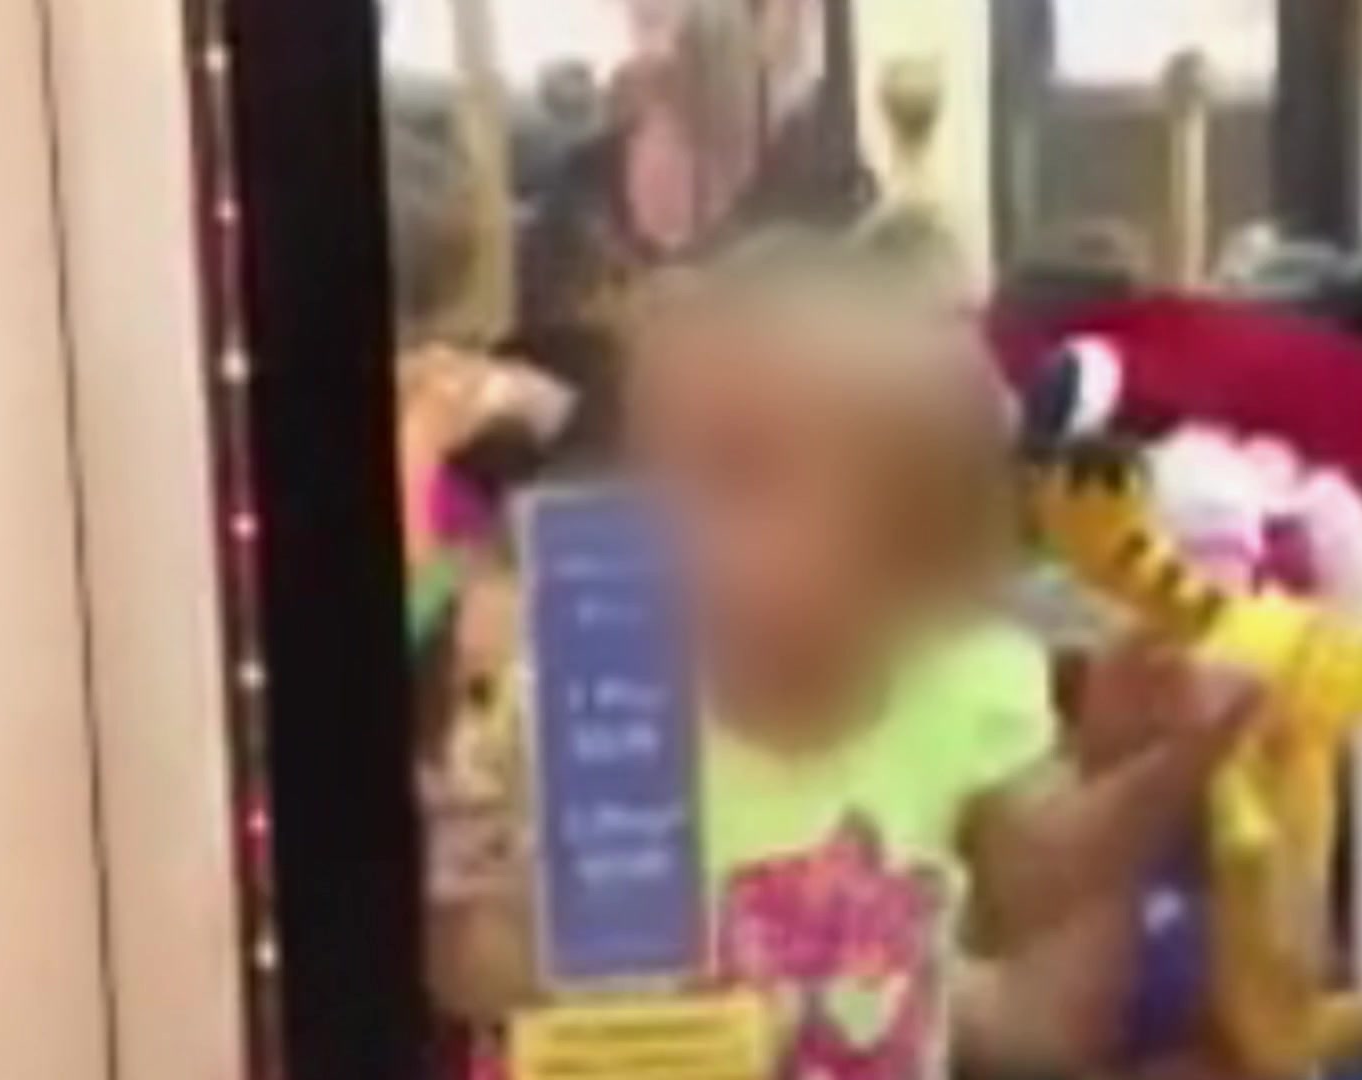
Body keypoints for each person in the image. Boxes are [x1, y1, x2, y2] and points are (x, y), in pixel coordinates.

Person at [423, 229, 1248, 1078]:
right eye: (644, 466)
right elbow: (497, 979)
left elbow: (1035, 888)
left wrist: (1153, 770)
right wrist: (459, 911)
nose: (666, 521)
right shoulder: (589, 705)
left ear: (912, 547)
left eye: (734, 473)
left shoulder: (964, 683)